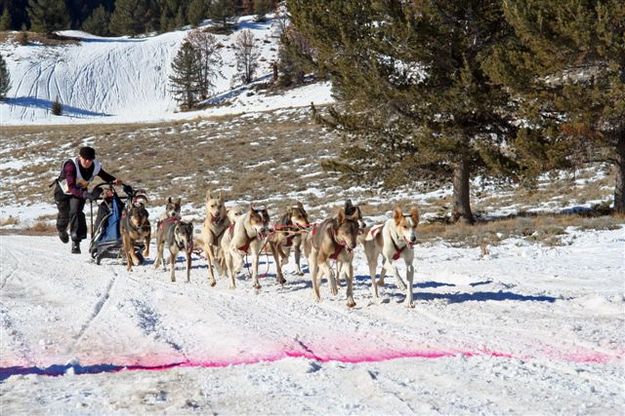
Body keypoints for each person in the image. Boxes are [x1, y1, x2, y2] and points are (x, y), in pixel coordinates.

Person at [54, 146, 122, 254]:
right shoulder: (71, 166)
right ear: (80, 157)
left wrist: (114, 180)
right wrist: (86, 194)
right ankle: (61, 230)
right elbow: (71, 187)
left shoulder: (95, 166)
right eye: (85, 159)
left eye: (90, 159)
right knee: (64, 215)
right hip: (63, 192)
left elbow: (104, 175)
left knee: (76, 211)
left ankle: (76, 241)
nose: (87, 161)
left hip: (79, 192)